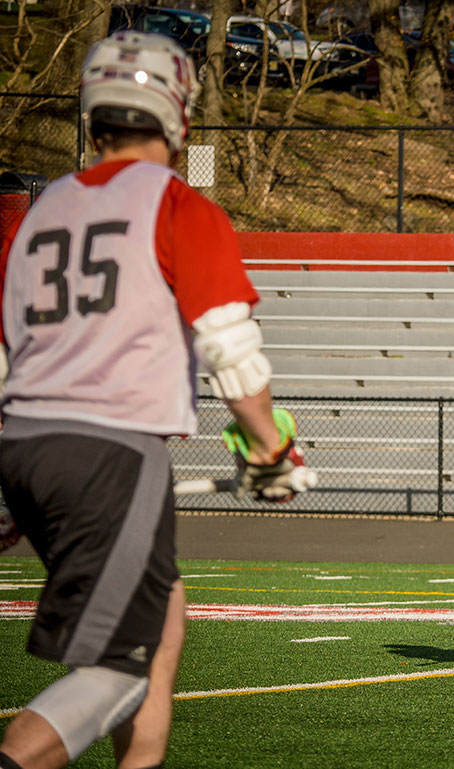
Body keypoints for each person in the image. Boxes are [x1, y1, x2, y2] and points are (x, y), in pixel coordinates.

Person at [0, 31, 315, 769]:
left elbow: (11, 351)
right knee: (122, 667)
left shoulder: (39, 215)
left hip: (27, 445)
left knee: (162, 619)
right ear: (175, 112)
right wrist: (270, 447)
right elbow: (229, 347)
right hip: (111, 455)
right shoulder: (179, 206)